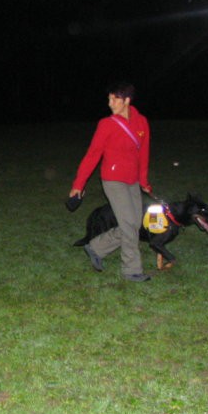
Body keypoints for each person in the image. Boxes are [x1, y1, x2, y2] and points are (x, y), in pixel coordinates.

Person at [69, 82, 153, 282]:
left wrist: (144, 180)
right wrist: (78, 185)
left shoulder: (141, 123)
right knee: (128, 224)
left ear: (127, 100)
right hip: (113, 179)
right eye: (109, 99)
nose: (110, 103)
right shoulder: (106, 125)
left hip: (132, 179)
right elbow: (92, 155)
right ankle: (131, 270)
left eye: (114, 99)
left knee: (133, 224)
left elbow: (144, 153)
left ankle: (96, 247)